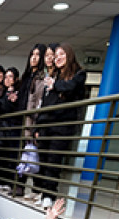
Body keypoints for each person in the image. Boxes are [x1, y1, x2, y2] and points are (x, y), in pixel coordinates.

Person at [34, 43, 86, 206]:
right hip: (46, 124)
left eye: (61, 54)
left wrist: (54, 85)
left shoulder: (79, 74)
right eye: (55, 56)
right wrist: (37, 126)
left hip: (62, 125)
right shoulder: (53, 75)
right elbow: (45, 103)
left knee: (53, 160)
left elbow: (71, 87)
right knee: (43, 159)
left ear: (69, 55)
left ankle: (49, 194)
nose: (58, 58)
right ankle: (43, 192)